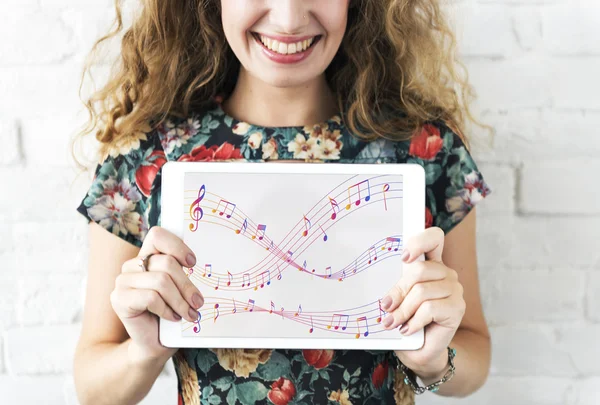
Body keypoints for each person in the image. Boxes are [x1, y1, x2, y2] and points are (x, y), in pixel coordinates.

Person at [72, 1, 493, 404]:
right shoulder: (146, 156)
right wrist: (145, 350)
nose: (289, 19)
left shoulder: (429, 150)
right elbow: (93, 389)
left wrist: (434, 359)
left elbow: (475, 356)